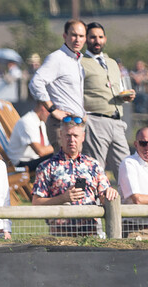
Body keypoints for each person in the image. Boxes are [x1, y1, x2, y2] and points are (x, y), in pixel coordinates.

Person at [32, 119, 118, 237]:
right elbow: (36, 203)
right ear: (61, 136)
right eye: (68, 135)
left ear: (83, 137)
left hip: (91, 236)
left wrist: (109, 192)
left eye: (75, 136)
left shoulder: (94, 165)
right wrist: (63, 198)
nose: (72, 140)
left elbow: (104, 197)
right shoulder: (46, 167)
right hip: (60, 237)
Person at [81, 22, 134, 174]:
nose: (97, 41)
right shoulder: (80, 63)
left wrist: (125, 96)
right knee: (95, 170)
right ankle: (93, 199)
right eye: (92, 37)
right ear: (86, 39)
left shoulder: (112, 63)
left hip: (117, 121)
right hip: (95, 121)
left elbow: (116, 90)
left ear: (105, 39)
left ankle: (129, 199)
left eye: (100, 37)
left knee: (125, 170)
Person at [29, 20, 87, 152]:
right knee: (63, 169)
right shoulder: (56, 58)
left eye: (81, 36)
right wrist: (52, 109)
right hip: (61, 124)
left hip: (77, 124)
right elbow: (35, 82)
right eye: (74, 35)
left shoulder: (77, 61)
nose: (77, 39)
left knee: (74, 169)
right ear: (64, 36)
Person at [7, 103, 54, 172]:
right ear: (43, 107)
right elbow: (41, 151)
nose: (51, 115)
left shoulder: (40, 123)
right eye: (51, 110)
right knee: (58, 155)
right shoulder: (27, 122)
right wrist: (59, 146)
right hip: (21, 164)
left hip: (32, 160)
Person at [118, 126, 148, 234]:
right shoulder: (129, 163)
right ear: (136, 144)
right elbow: (138, 199)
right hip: (135, 228)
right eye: (143, 143)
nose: (147, 147)